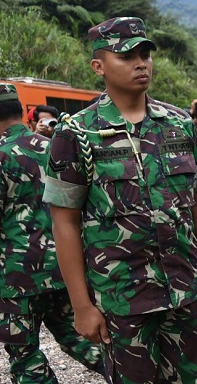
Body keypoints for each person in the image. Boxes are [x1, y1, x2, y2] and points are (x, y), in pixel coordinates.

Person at [43, 17, 197, 383]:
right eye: (126, 56)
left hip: (183, 292)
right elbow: (65, 223)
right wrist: (82, 306)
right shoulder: (77, 133)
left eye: (145, 54)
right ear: (99, 66)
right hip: (122, 298)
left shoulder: (179, 124)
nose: (141, 63)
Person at [0, 83, 104, 382]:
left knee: (24, 355)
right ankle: (129, 373)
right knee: (82, 339)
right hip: (64, 268)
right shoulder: (54, 147)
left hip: (17, 277)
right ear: (21, 112)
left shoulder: (2, 156)